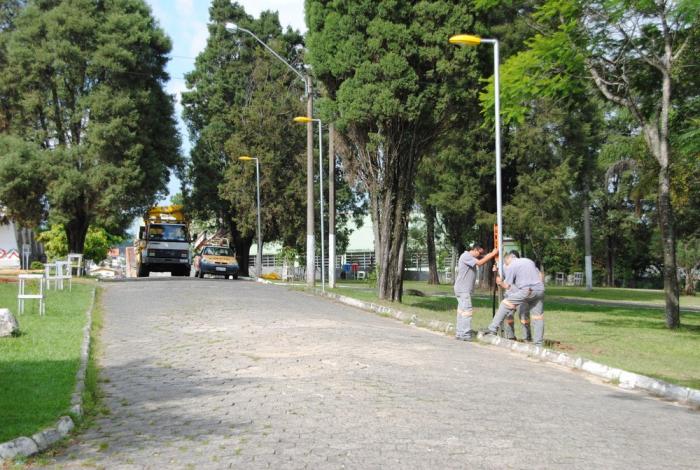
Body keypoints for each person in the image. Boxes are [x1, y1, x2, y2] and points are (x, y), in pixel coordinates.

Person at [482, 252, 545, 346]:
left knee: (505, 304)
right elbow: (540, 275)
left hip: (527, 291)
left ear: (508, 260)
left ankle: (492, 329)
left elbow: (508, 285)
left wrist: (500, 282)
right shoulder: (528, 261)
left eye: (505, 264)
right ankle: (538, 344)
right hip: (540, 290)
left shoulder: (512, 265)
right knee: (538, 317)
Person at [454, 244, 499, 341]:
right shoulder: (466, 256)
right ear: (475, 250)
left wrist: (491, 254)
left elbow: (481, 257)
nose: (480, 255)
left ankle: (459, 333)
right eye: (479, 253)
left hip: (462, 289)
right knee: (467, 311)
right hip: (463, 289)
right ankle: (465, 335)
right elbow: (480, 262)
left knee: (462, 312)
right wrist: (492, 254)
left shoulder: (469, 256)